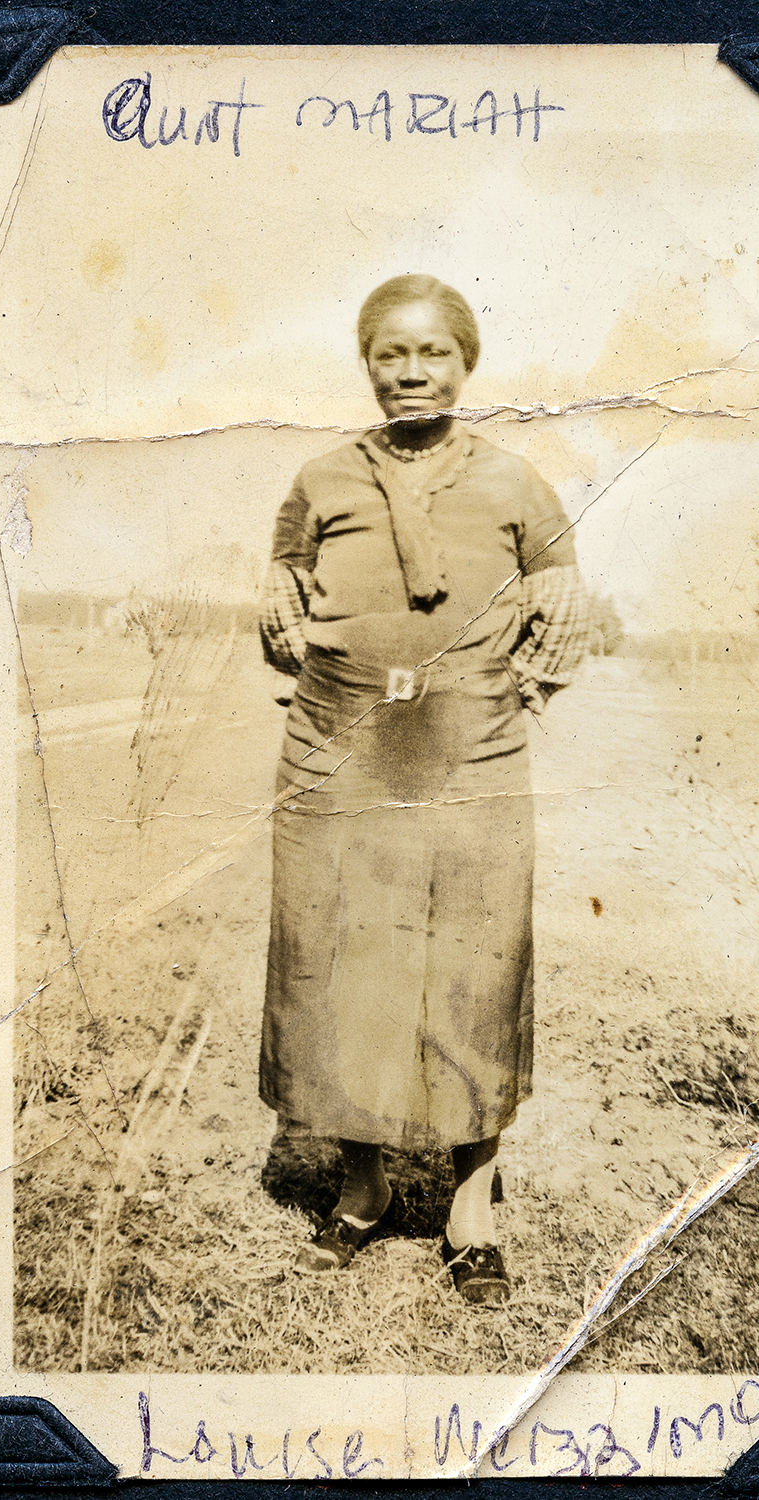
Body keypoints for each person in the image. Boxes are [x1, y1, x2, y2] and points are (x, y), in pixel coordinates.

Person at [258, 275, 589, 1304]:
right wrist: (293, 627)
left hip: (470, 755)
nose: (411, 372)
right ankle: (363, 1193)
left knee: (474, 967)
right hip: (337, 747)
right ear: (366, 362)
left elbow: (563, 602)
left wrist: (512, 687)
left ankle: (470, 1207)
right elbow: (280, 594)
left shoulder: (517, 483)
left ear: (465, 361)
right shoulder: (318, 478)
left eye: (432, 353)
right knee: (341, 952)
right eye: (390, 354)